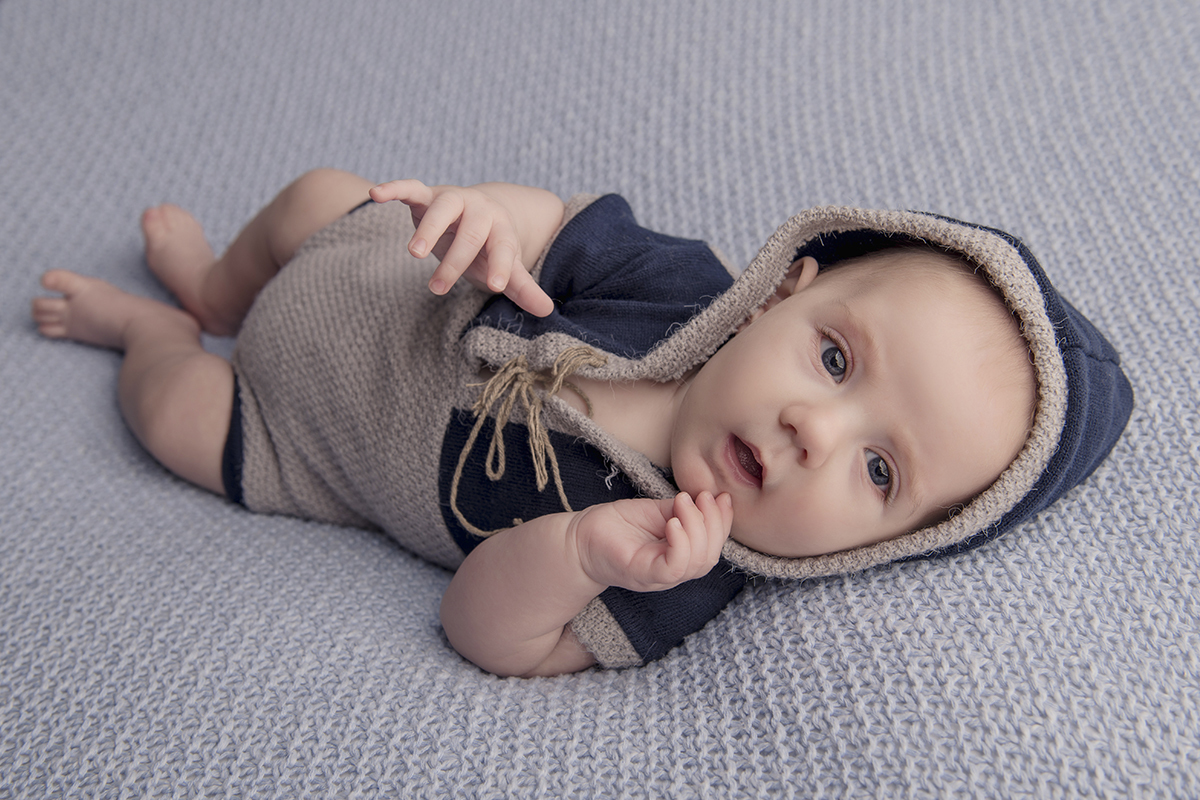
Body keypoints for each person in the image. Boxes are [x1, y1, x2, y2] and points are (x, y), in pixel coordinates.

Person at [31, 169, 1133, 677]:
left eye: (881, 468)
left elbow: (481, 630)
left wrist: (579, 552)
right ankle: (219, 291)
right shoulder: (681, 284)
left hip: (293, 433)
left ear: (894, 541)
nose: (814, 432)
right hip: (373, 274)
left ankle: (157, 336)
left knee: (177, 414)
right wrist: (485, 214)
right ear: (786, 290)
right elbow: (550, 221)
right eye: (837, 359)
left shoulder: (675, 570)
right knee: (323, 191)